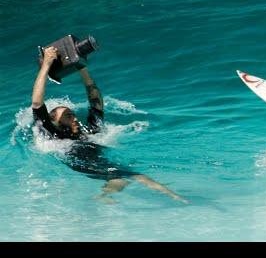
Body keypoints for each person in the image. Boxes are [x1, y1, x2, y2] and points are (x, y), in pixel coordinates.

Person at [32, 46, 188, 204]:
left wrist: (81, 67)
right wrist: (46, 64)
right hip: (80, 163)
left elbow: (96, 103)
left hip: (98, 161)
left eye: (73, 114)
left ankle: (173, 197)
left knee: (127, 177)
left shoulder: (88, 132)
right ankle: (176, 199)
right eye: (67, 115)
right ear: (54, 122)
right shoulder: (54, 134)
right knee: (130, 176)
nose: (73, 117)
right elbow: (37, 102)